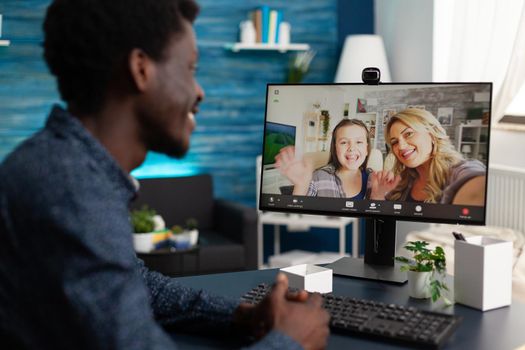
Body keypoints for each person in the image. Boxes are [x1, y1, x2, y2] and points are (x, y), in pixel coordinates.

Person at [0, 0, 330, 349]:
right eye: (190, 68)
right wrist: (291, 340)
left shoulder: (67, 166)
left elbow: (138, 285)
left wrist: (241, 315)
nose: (198, 91)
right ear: (141, 69)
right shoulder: (70, 192)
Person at [370, 108, 486, 205]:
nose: (400, 146)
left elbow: (475, 182)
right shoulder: (402, 182)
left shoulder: (459, 171)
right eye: (394, 142)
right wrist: (378, 195)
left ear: (432, 134)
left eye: (409, 134)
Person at [275, 119, 370, 199]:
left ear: (366, 149)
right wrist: (301, 185)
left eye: (359, 142)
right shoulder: (317, 177)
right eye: (344, 142)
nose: (352, 148)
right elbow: (298, 216)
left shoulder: (374, 179)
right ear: (335, 148)